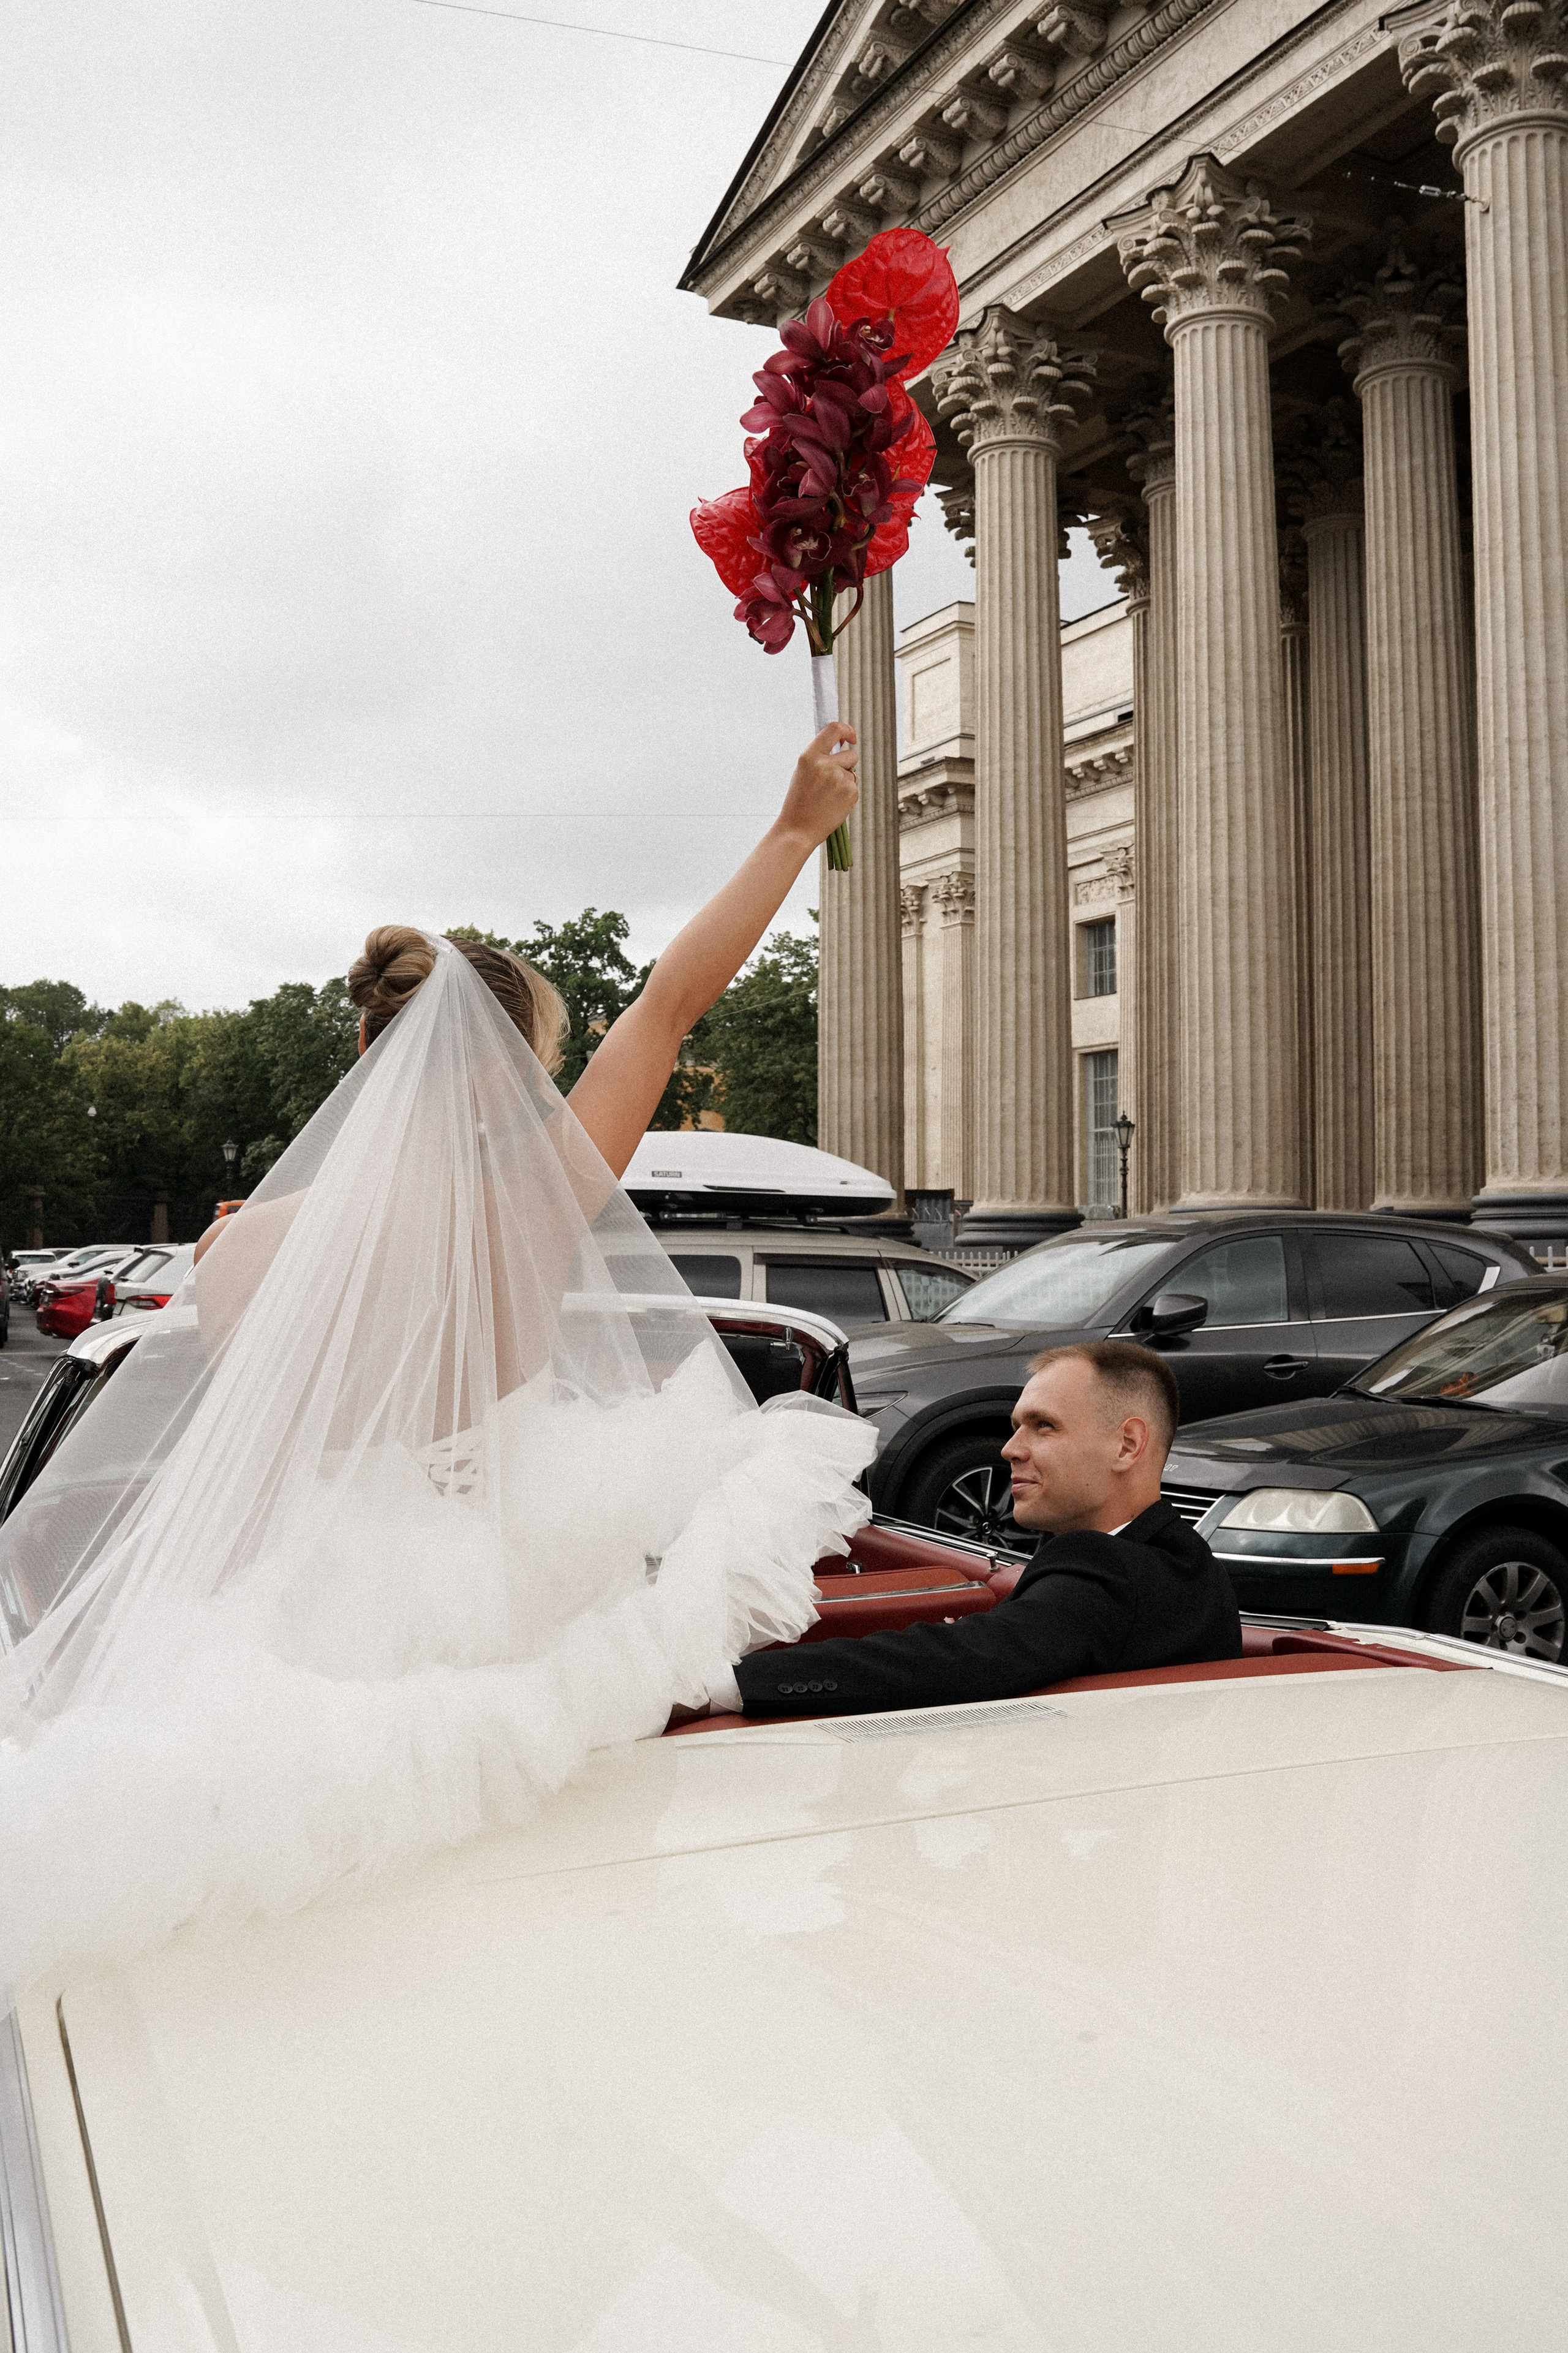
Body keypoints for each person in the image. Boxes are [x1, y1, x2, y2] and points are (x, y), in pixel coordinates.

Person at [0, 726, 875, 1997]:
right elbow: (670, 1005)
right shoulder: (534, 1206)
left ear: (368, 1059)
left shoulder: (240, 1253)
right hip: (501, 1592)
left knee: (274, 1930)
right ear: (515, 1077)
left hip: (286, 1611)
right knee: (512, 1906)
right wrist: (793, 832)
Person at [707, 1342, 1242, 1720]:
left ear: (1127, 1445)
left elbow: (964, 1658)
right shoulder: (1199, 1571)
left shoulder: (1102, 1570)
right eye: (1016, 1428)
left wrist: (729, 1686)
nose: (1010, 1449)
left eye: (1044, 1425)